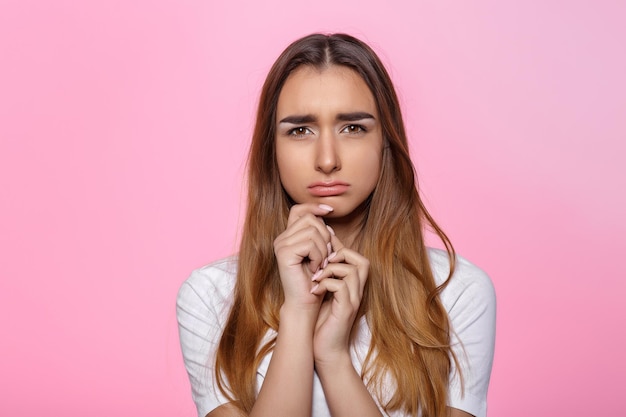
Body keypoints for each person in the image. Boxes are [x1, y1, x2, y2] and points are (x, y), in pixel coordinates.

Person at [176, 33, 496, 417]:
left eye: (353, 128)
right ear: (271, 150)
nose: (327, 160)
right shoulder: (211, 297)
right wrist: (297, 314)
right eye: (300, 130)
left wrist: (333, 358)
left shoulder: (455, 292)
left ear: (386, 143)